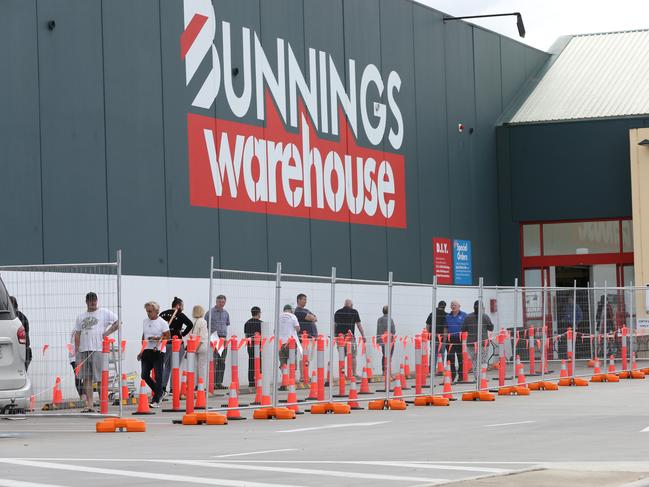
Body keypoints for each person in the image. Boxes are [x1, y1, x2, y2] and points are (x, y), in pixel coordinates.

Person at [73, 292, 119, 412]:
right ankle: (89, 404)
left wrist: (107, 333)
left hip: (98, 349)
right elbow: (77, 333)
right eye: (90, 300)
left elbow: (118, 322)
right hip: (84, 349)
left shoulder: (104, 312)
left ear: (97, 300)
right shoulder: (81, 316)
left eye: (94, 300)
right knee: (86, 378)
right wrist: (77, 349)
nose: (92, 303)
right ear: (86, 302)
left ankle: (103, 403)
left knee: (100, 378)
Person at [160, 297, 193, 398]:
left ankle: (163, 387)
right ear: (179, 306)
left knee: (165, 366)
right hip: (177, 343)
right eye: (182, 306)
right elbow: (190, 324)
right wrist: (182, 333)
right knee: (175, 367)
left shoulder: (163, 314)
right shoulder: (180, 314)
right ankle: (173, 388)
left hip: (165, 342)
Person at [138, 301, 170, 408]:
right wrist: (141, 351)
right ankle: (160, 392)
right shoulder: (145, 321)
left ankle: (156, 399)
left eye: (150, 311)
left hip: (158, 350)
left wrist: (157, 339)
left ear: (156, 311)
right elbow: (144, 336)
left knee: (158, 375)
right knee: (144, 375)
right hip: (147, 350)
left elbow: (167, 337)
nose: (148, 313)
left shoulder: (162, 322)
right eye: (147, 311)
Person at [334, 299, 366, 377]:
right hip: (350, 338)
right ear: (351, 305)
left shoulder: (337, 312)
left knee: (342, 357)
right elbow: (358, 325)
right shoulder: (354, 311)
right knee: (353, 356)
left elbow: (335, 325)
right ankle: (354, 373)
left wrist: (335, 336)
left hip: (340, 338)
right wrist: (363, 335)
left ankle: (342, 374)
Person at [462, 301, 494, 377]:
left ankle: (477, 377)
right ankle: (482, 377)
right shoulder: (485, 316)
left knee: (474, 361)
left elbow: (463, 329)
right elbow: (491, 328)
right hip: (483, 343)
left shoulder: (468, 317)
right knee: (483, 361)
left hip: (471, 343)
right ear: (482, 307)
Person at [205, 294, 230, 389]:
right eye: (219, 302)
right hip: (214, 337)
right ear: (216, 302)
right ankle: (212, 383)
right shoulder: (210, 313)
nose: (221, 304)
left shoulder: (226, 313)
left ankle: (219, 383)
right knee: (214, 361)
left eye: (223, 302)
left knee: (222, 361)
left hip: (223, 338)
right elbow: (205, 325)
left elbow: (226, 324)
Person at [294, 293, 317, 380]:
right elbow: (311, 318)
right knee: (303, 356)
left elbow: (315, 318)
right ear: (299, 300)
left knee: (307, 357)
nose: (305, 301)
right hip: (304, 338)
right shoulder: (298, 311)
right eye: (304, 299)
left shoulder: (306, 310)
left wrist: (312, 317)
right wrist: (312, 317)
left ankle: (306, 374)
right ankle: (303, 376)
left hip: (311, 337)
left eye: (306, 300)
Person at [445, 300, 467, 383]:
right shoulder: (447, 316)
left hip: (460, 339)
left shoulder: (464, 315)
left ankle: (461, 376)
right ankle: (452, 375)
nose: (453, 306)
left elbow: (467, 327)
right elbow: (445, 328)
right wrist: (444, 339)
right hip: (450, 339)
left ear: (459, 306)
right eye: (452, 305)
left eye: (455, 305)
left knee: (460, 358)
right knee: (450, 358)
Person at [9, 296, 31, 370]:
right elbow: (27, 340)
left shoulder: (6, 317)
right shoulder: (22, 317)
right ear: (17, 306)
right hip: (24, 351)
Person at [244, 306, 262, 387]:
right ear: (258, 313)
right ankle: (258, 381)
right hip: (259, 346)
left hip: (250, 346)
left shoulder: (247, 323)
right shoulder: (261, 323)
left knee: (251, 363)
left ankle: (251, 382)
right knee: (259, 364)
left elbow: (246, 336)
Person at [191, 305, 209, 385]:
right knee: (202, 367)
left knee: (193, 366)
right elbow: (203, 336)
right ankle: (201, 385)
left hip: (192, 345)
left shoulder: (192, 321)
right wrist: (197, 347)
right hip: (201, 346)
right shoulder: (203, 321)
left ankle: (193, 384)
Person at [376, 305, 396, 376]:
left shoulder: (379, 319)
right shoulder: (390, 319)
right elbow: (393, 331)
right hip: (389, 341)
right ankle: (388, 371)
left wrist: (378, 341)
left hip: (382, 341)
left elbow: (378, 331)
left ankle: (384, 371)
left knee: (384, 355)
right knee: (389, 356)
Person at [278, 304, 300, 370]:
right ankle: (291, 378)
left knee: (283, 361)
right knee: (292, 361)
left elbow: (275, 330)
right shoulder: (293, 316)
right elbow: (298, 328)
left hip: (281, 343)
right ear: (290, 310)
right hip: (291, 342)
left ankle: (284, 378)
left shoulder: (279, 316)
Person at [68, 330, 83, 399]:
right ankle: (83, 396)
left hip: (76, 357)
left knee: (80, 378)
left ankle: (84, 396)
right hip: (76, 357)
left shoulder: (76, 329)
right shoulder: (78, 330)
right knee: (79, 378)